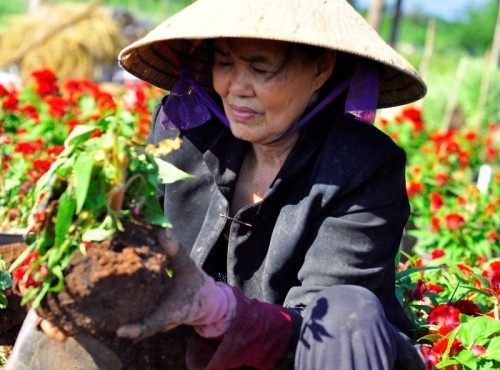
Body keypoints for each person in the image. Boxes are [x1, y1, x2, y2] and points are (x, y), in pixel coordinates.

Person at [7, 0, 428, 369]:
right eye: (225, 63)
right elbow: (131, 243)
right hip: (186, 350)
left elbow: (321, 333)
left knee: (346, 313)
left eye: (261, 67)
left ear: (320, 69)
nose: (235, 88)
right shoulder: (187, 131)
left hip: (297, 355)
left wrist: (221, 310)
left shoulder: (363, 167)